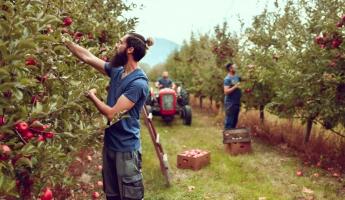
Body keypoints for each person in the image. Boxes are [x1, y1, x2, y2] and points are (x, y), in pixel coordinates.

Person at [64, 32, 153, 200]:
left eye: (120, 42)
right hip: (110, 144)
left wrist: (91, 96)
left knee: (129, 196)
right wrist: (65, 41)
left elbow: (112, 114)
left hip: (126, 149)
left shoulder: (138, 84)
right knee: (111, 195)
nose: (116, 45)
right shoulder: (118, 72)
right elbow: (88, 57)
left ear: (130, 49)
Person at [223, 63, 242, 130]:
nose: (236, 67)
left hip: (236, 102)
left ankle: (232, 139)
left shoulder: (237, 77)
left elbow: (246, 79)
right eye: (234, 67)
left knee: (234, 121)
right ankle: (227, 138)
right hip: (230, 103)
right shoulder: (227, 79)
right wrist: (235, 86)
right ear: (230, 69)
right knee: (229, 122)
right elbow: (226, 91)